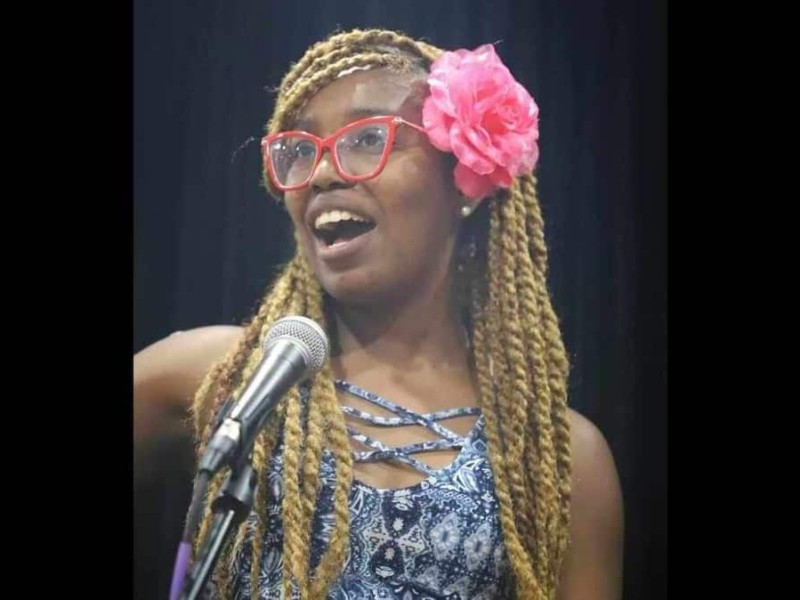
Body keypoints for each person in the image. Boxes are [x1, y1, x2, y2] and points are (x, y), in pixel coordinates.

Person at [134, 27, 624, 600]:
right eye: (300, 150)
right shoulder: (225, 378)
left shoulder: (557, 458)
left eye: (368, 138)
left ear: (465, 179)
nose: (322, 173)